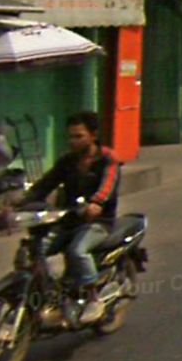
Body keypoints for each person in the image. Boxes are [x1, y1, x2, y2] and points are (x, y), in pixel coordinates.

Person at [20, 111, 120, 323]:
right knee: (37, 249)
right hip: (70, 219)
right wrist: (21, 202)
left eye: (79, 136)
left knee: (77, 251)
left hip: (98, 223)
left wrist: (97, 203)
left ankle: (93, 299)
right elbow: (46, 184)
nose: (73, 141)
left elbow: (107, 185)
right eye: (71, 136)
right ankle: (50, 298)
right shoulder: (67, 161)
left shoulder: (107, 159)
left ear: (93, 135)